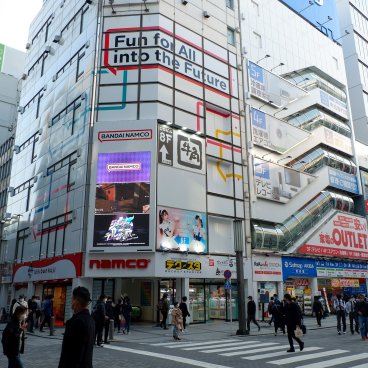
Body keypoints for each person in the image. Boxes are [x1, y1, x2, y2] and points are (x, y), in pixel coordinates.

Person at [58, 286, 95, 368]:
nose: (71, 301)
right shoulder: (90, 320)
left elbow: (71, 353)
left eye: (72, 299)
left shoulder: (77, 322)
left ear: (76, 301)